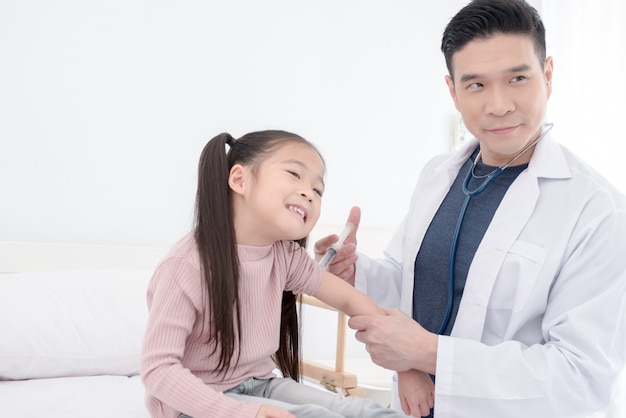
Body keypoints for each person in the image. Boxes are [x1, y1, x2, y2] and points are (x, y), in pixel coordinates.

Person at [315, 0, 626, 417]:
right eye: (476, 84)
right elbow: (411, 284)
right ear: (453, 91)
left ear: (547, 76)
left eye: (517, 78)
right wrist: (357, 274)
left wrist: (432, 355)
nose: (498, 105)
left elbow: (580, 379)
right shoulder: (437, 175)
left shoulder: (596, 210)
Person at [140, 130, 408, 418]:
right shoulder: (185, 265)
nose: (309, 193)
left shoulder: (284, 256)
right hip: (198, 405)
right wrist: (245, 414)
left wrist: (407, 365)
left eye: (318, 190)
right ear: (240, 180)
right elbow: (158, 369)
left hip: (261, 384)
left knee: (361, 409)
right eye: (294, 173)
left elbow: (350, 300)